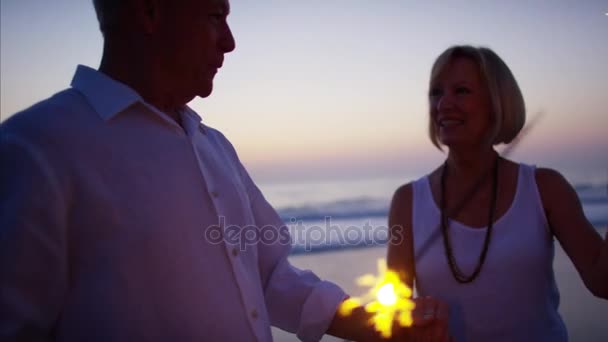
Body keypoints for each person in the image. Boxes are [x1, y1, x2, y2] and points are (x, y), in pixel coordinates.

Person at [0, 0, 450, 341]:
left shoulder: (214, 146)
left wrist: (375, 325)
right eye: (216, 15)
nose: (229, 40)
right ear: (150, 10)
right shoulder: (34, 149)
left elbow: (269, 273)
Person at [387, 45, 608, 342]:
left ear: (497, 102)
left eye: (462, 91)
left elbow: (602, 281)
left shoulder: (545, 188)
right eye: (436, 92)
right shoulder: (407, 201)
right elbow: (395, 309)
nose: (444, 104)